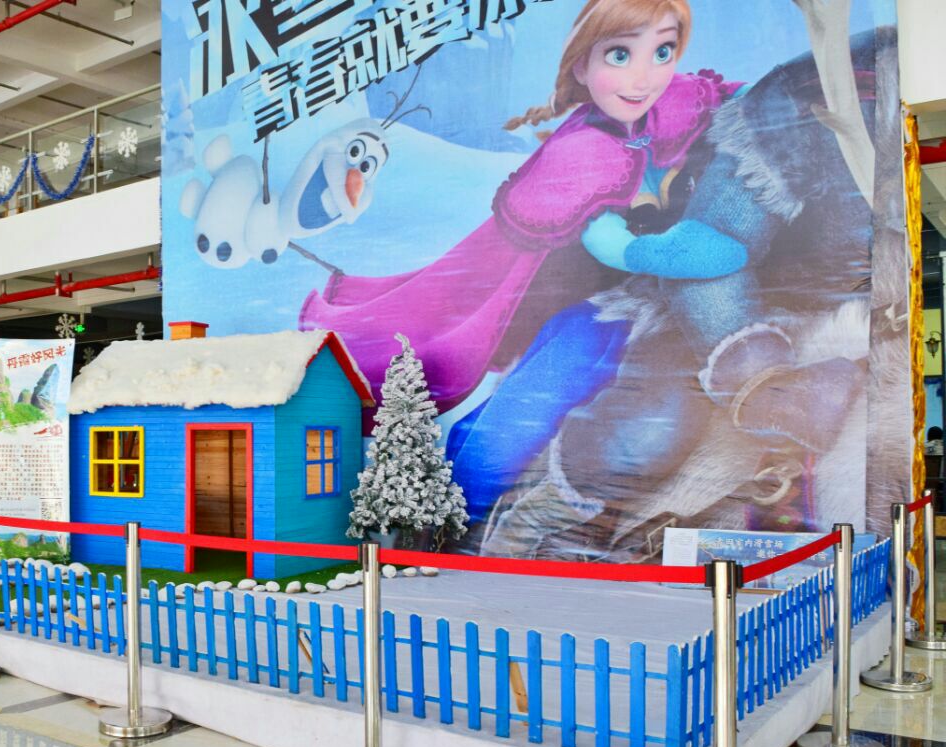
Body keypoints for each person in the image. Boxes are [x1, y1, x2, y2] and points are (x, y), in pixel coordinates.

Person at [301, 0, 741, 520]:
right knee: (503, 440)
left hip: (678, 309)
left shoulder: (683, 103)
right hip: (604, 309)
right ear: (582, 66)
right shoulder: (582, 153)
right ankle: (467, 511)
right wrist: (675, 250)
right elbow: (609, 242)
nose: (643, 77)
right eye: (620, 55)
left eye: (662, 51)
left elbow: (758, 107)